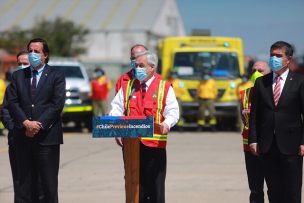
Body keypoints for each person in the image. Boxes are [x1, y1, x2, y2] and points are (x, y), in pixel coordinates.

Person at [109, 51, 179, 203]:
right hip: (131, 145)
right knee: (135, 188)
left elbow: (173, 111)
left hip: (154, 146)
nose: (137, 69)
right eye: (136, 66)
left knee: (154, 189)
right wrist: (116, 127)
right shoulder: (128, 86)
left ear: (152, 67)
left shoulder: (164, 87)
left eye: (141, 66)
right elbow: (116, 107)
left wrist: (166, 124)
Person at [7, 38, 66, 203]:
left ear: (45, 55)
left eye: (36, 51)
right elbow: (12, 102)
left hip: (47, 138)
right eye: (30, 51)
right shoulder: (18, 76)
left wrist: (38, 125)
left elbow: (57, 104)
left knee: (48, 186)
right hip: (23, 138)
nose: (32, 54)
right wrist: (25, 123)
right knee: (24, 186)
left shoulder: (56, 75)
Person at [249, 41, 304, 203]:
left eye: (279, 56)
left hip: (292, 145)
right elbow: (254, 115)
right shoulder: (261, 83)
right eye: (272, 55)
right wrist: (253, 139)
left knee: (292, 190)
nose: (274, 59)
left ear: (288, 59)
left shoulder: (300, 82)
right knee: (273, 191)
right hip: (267, 145)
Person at [0, 50, 32, 201]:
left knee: (38, 180)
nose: (21, 66)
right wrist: (14, 128)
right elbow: (5, 111)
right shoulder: (11, 87)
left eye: (25, 63)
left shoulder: (40, 86)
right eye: (19, 64)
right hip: (17, 139)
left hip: (37, 139)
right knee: (20, 180)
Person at [239, 61, 270, 203]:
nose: (256, 73)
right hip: (250, 150)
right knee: (255, 190)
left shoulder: (276, 93)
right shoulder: (244, 95)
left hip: (271, 149)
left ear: (269, 73)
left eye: (260, 70)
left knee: (274, 188)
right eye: (254, 70)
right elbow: (243, 120)